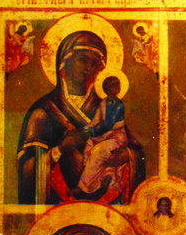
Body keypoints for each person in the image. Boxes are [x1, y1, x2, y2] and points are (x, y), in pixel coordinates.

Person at [17, 30, 145, 204]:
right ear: (65, 61)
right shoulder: (44, 111)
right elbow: (26, 169)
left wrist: (126, 156)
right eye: (83, 60)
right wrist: (60, 149)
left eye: (95, 64)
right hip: (57, 206)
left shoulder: (106, 106)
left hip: (105, 206)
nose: (88, 68)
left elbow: (132, 149)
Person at [76, 75, 128, 196]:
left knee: (97, 151)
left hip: (116, 136)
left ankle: (84, 186)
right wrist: (86, 128)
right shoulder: (103, 103)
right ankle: (96, 181)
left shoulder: (119, 104)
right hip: (104, 134)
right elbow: (96, 120)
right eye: (113, 86)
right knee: (89, 145)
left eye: (118, 86)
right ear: (107, 89)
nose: (116, 88)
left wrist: (92, 131)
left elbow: (108, 124)